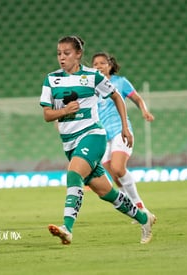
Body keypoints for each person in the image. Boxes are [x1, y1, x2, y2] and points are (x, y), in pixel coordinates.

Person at [40, 35, 155, 245]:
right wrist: (64, 111)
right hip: (70, 143)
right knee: (106, 192)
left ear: (78, 54)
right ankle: (144, 218)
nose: (61, 58)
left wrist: (124, 127)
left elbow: (117, 97)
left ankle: (67, 227)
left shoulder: (93, 76)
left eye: (66, 53)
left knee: (74, 174)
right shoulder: (51, 79)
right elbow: (47, 115)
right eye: (59, 54)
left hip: (93, 136)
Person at [92, 52, 155, 214]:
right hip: (102, 135)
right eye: (95, 64)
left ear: (110, 66)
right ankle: (133, 209)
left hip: (120, 130)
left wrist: (144, 111)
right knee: (113, 174)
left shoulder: (120, 82)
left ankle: (139, 206)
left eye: (102, 63)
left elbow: (138, 99)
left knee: (118, 168)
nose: (98, 66)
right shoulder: (92, 87)